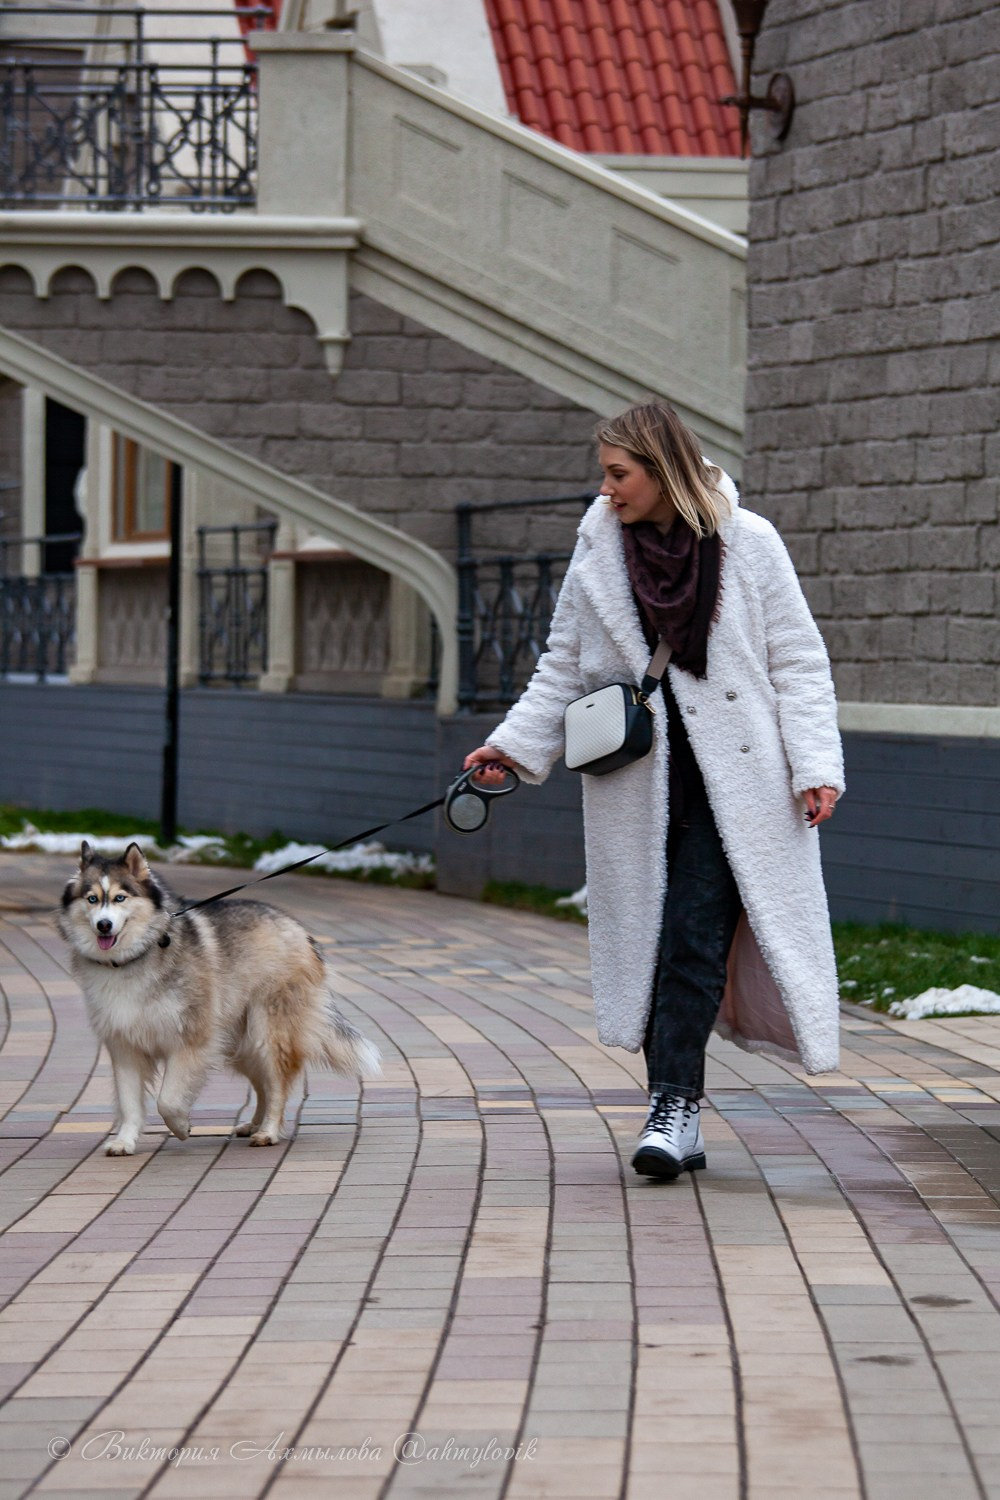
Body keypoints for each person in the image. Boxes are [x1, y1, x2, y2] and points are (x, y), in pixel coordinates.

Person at [465, 402, 844, 1181]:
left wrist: (814, 764)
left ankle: (672, 1108)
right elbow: (563, 666)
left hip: (738, 784)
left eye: (618, 474)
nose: (606, 490)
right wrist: (511, 748)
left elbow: (799, 661)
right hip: (639, 779)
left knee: (692, 941)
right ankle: (679, 1112)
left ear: (662, 468)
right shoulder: (598, 550)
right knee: (654, 941)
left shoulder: (750, 541)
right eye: (604, 475)